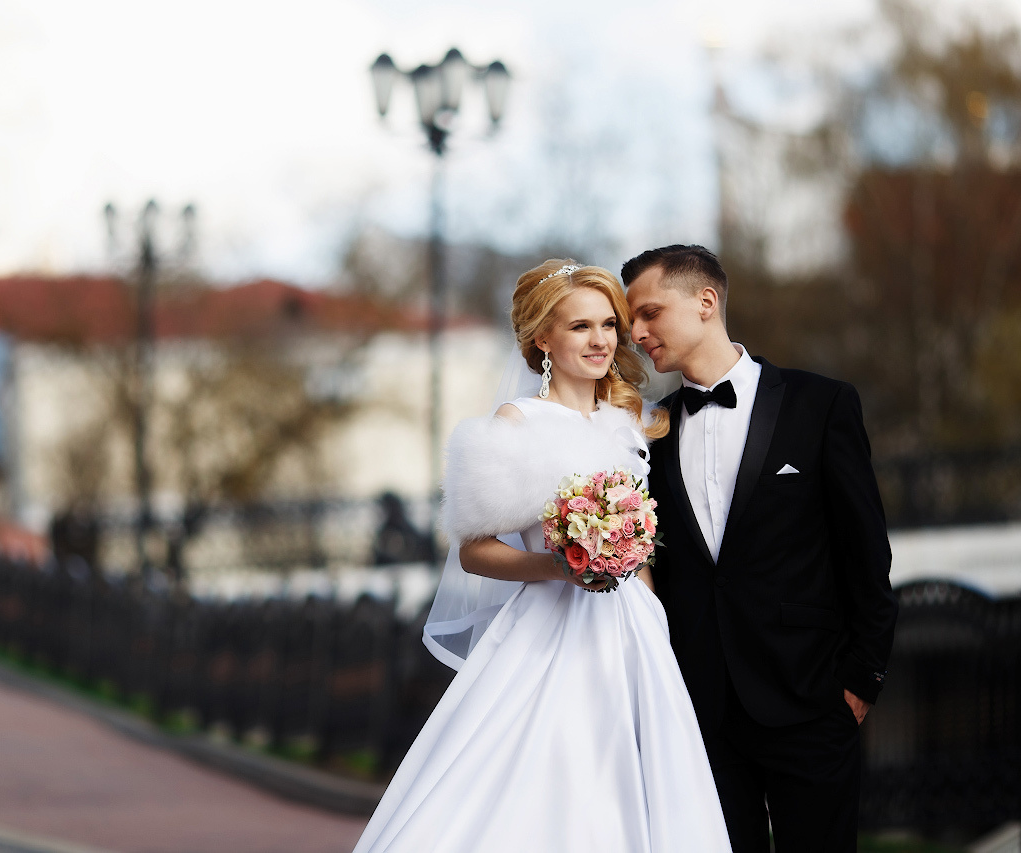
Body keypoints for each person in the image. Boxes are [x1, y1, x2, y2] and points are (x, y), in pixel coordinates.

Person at [352, 260, 732, 853]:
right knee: (553, 775)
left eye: (608, 324)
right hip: (551, 628)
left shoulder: (630, 420)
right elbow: (474, 552)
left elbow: (641, 548)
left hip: (635, 629)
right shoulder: (516, 422)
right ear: (543, 338)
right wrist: (560, 566)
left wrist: (652, 615)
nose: (601, 340)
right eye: (580, 326)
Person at [622, 245, 898, 853]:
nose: (636, 333)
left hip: (812, 700)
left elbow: (866, 551)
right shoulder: (643, 434)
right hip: (701, 714)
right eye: (630, 320)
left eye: (649, 313)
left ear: (705, 301)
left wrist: (862, 679)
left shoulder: (820, 404)